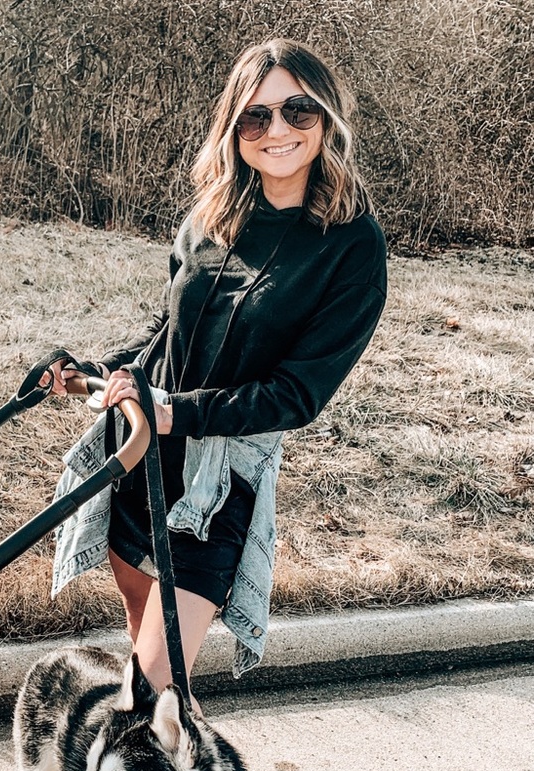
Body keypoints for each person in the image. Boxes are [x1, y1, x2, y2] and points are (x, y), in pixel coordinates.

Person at [44, 38, 387, 711]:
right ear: (234, 129)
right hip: (138, 455)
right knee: (156, 689)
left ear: (326, 118)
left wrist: (176, 410)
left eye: (296, 111)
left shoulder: (351, 245)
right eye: (255, 118)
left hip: (215, 486)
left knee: (146, 691)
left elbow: (299, 392)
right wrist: (97, 371)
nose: (277, 131)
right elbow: (167, 330)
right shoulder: (211, 216)